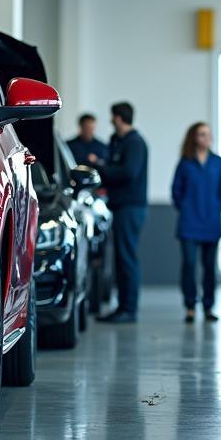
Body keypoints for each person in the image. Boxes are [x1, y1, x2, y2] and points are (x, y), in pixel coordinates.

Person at [171, 122, 221, 323]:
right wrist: (186, 207)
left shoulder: (218, 163)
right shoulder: (185, 163)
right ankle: (190, 305)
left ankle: (208, 306)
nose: (205, 138)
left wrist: (216, 207)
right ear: (193, 138)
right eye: (200, 134)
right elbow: (176, 191)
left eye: (207, 134)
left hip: (211, 223)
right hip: (189, 223)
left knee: (209, 266)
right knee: (189, 264)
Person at [96, 102, 148, 324]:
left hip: (131, 207)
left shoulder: (135, 143)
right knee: (121, 258)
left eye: (112, 117)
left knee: (127, 258)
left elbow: (128, 172)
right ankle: (123, 307)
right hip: (120, 206)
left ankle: (129, 309)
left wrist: (101, 167)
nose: (111, 121)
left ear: (118, 118)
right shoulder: (119, 142)